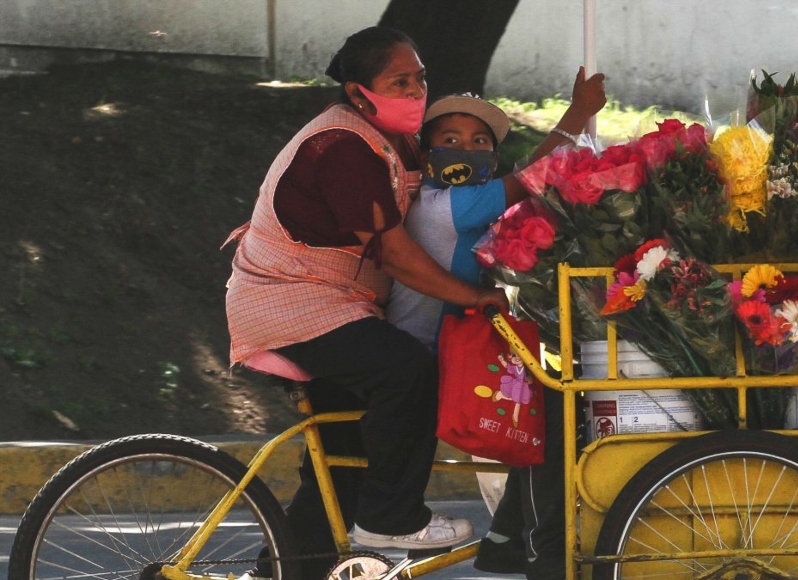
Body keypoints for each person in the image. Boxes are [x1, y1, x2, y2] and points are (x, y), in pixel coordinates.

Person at [222, 26, 508, 579]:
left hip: (334, 305)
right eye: (398, 82)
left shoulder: (389, 140)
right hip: (293, 305)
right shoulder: (342, 147)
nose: (415, 92)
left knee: (344, 461)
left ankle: (281, 573)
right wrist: (476, 296)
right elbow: (397, 256)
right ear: (359, 93)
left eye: (419, 79)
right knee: (407, 372)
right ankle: (394, 518)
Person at [384, 70, 605, 580]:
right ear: (425, 154)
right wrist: (577, 112)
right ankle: (543, 554)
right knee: (550, 409)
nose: (466, 148)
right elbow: (531, 173)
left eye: (480, 141)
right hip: (434, 355)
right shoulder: (443, 207)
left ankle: (507, 539)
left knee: (549, 402)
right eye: (450, 140)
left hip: (465, 343)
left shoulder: (472, 204)